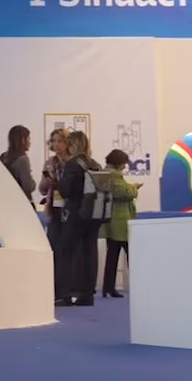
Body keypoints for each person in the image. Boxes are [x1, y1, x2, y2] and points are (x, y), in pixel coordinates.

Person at [40, 130, 105, 307]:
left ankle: (64, 294)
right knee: (89, 253)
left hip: (76, 214)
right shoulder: (95, 164)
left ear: (72, 145)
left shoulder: (72, 164)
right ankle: (87, 295)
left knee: (65, 251)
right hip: (93, 214)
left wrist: (56, 183)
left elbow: (66, 191)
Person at [100, 148, 136, 298]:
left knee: (112, 256)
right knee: (132, 256)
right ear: (119, 163)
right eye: (124, 163)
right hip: (120, 222)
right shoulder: (114, 176)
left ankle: (108, 287)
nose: (125, 167)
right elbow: (126, 193)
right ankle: (138, 284)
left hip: (112, 221)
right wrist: (134, 188)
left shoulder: (106, 174)